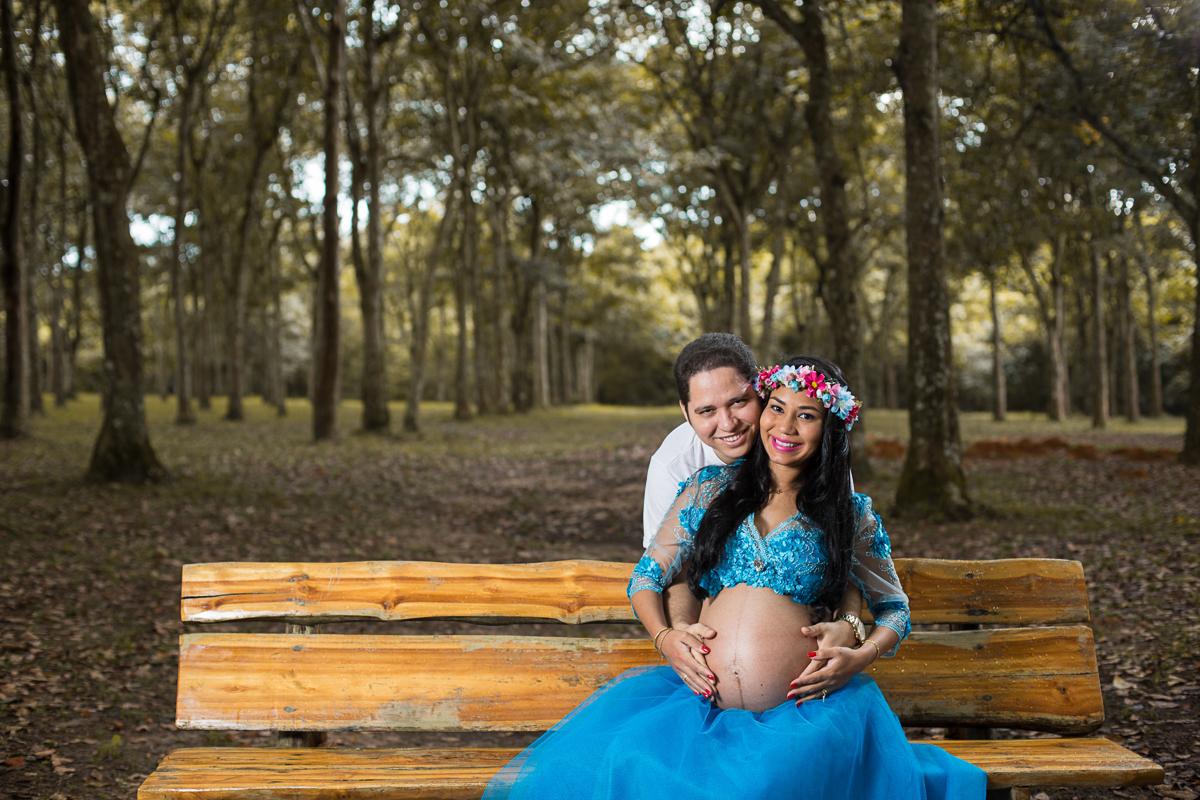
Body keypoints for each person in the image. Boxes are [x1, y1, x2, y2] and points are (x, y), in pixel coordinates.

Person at [483, 356, 986, 800]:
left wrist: (858, 651)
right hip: (700, 710)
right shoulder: (708, 489)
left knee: (772, 782)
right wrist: (666, 637)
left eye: (806, 414)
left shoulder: (849, 515)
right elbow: (645, 579)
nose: (785, 426)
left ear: (829, 428)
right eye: (777, 407)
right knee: (632, 765)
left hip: (807, 714)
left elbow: (895, 609)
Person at [644, 334, 863, 704]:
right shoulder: (675, 468)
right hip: (708, 682)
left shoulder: (803, 445)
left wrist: (850, 624)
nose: (727, 423)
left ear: (761, 392)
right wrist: (678, 631)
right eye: (706, 411)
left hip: (800, 688)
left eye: (739, 402)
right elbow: (669, 573)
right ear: (685, 411)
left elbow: (846, 556)